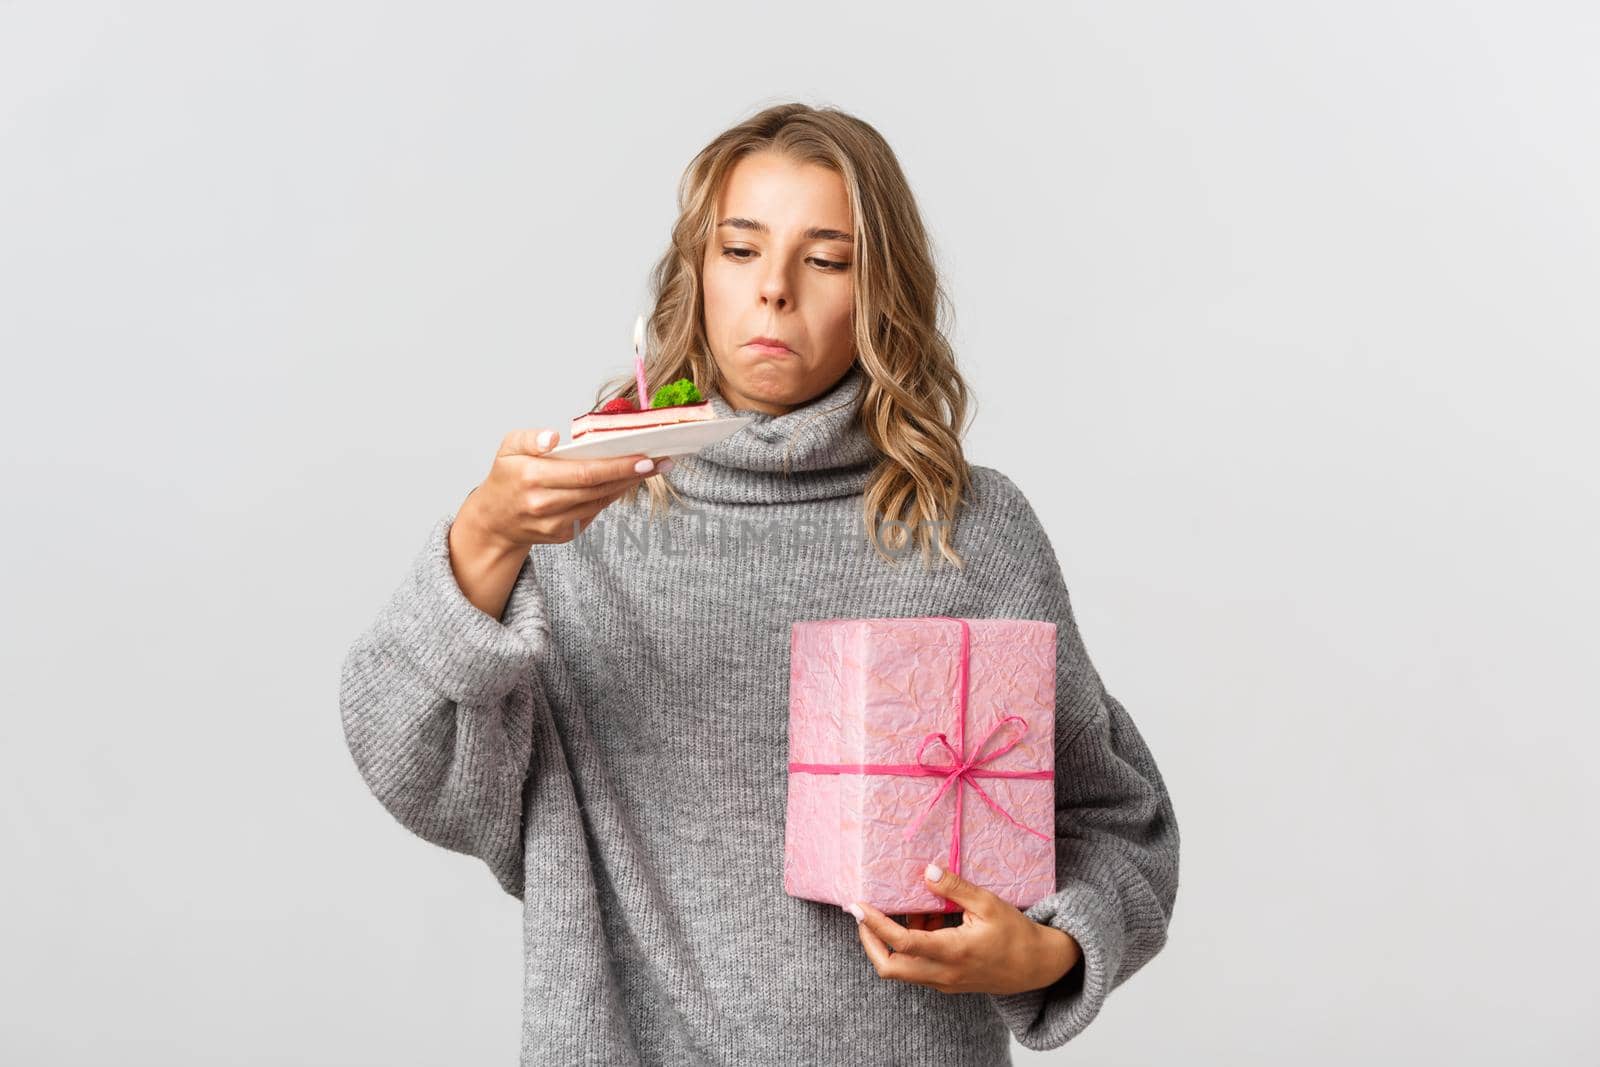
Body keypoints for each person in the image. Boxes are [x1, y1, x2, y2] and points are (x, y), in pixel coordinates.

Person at [339, 102, 1179, 1066]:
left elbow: (1120, 820)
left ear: (882, 291)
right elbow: (404, 748)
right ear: (696, 271)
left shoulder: (969, 531)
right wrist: (482, 536)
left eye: (827, 259)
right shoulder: (580, 515)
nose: (774, 290)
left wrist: (1044, 951)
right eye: (740, 250)